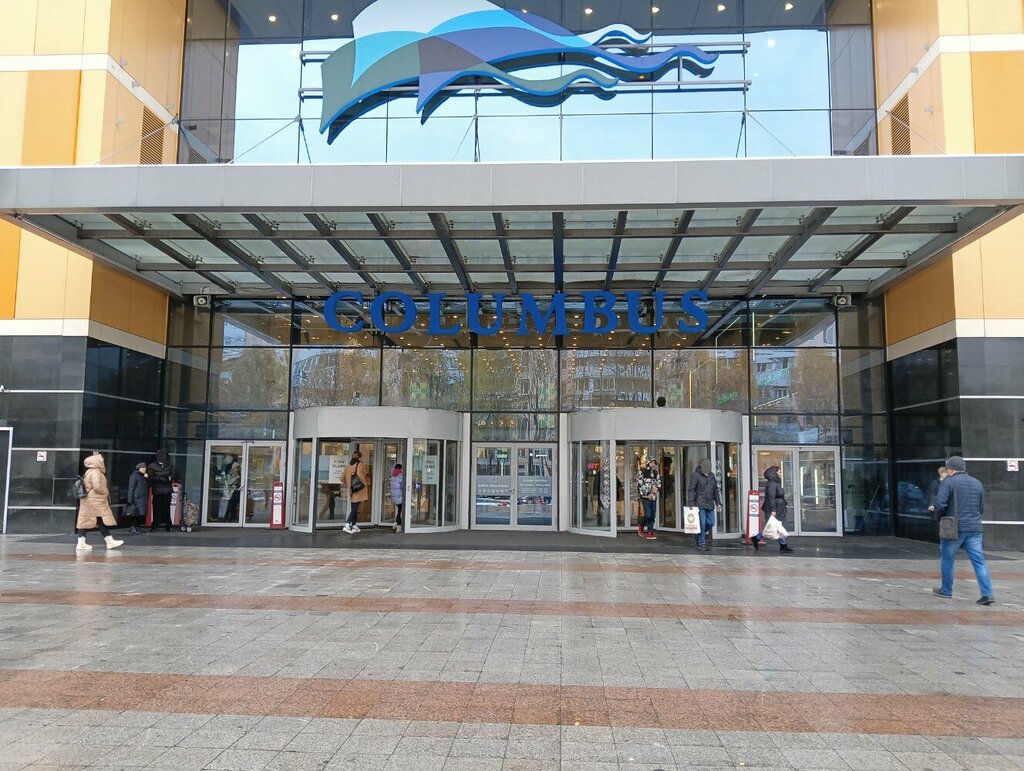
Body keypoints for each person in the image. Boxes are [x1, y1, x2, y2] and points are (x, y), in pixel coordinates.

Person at [932, 456, 994, 605]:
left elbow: (940, 503)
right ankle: (987, 594)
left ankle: (946, 590)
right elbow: (981, 507)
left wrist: (939, 519)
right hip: (975, 527)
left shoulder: (948, 482)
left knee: (948, 559)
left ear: (950, 469)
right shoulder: (977, 483)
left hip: (954, 528)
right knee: (979, 562)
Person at [76, 453, 123, 552]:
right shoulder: (96, 472)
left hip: (89, 500)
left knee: (88, 520)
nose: (103, 462)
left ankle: (83, 543)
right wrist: (105, 491)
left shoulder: (89, 471)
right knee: (99, 519)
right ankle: (109, 541)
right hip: (95, 500)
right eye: (101, 461)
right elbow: (97, 487)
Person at [750, 466, 794, 553]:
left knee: (778, 527)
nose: (780, 473)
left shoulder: (775, 483)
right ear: (774, 473)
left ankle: (782, 545)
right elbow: (771, 497)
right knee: (775, 527)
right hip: (775, 508)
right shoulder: (772, 484)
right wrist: (773, 509)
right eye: (779, 472)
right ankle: (757, 538)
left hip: (779, 508)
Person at [687, 458, 721, 552]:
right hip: (699, 503)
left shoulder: (712, 476)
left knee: (711, 522)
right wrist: (691, 503)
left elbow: (715, 491)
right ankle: (702, 543)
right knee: (702, 523)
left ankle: (698, 534)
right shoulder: (696, 475)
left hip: (710, 503)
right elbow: (691, 490)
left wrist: (718, 503)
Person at [147, 449, 177, 532]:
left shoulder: (170, 464)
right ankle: (155, 525)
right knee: (156, 508)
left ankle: (168, 525)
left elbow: (174, 474)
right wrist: (159, 479)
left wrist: (168, 478)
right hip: (157, 490)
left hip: (167, 490)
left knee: (167, 508)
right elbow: (150, 476)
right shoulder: (152, 466)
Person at [341, 451, 368, 534]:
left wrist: (349, 484)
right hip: (359, 489)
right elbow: (362, 474)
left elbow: (342, 478)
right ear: (359, 457)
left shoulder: (348, 466)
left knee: (354, 507)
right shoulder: (360, 464)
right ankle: (347, 525)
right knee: (355, 508)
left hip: (352, 490)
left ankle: (354, 526)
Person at [637, 458, 661, 541]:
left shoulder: (656, 473)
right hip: (645, 497)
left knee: (653, 515)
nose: (653, 464)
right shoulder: (642, 471)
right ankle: (641, 525)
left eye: (654, 463)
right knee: (648, 514)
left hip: (654, 496)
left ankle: (650, 531)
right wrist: (647, 494)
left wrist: (657, 489)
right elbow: (640, 485)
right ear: (648, 462)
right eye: (651, 462)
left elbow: (659, 482)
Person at [125, 462, 149, 534]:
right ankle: (133, 527)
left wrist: (146, 478)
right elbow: (131, 488)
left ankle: (136, 527)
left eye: (145, 467)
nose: (145, 469)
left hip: (141, 498)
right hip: (136, 498)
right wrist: (130, 500)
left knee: (138, 514)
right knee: (134, 513)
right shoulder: (134, 476)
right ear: (139, 468)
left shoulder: (142, 476)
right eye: (143, 467)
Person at [391, 463, 405, 532]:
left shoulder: (393, 476)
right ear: (400, 468)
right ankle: (399, 527)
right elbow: (403, 486)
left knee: (399, 510)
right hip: (400, 497)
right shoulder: (401, 476)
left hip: (394, 497)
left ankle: (395, 524)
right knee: (400, 511)